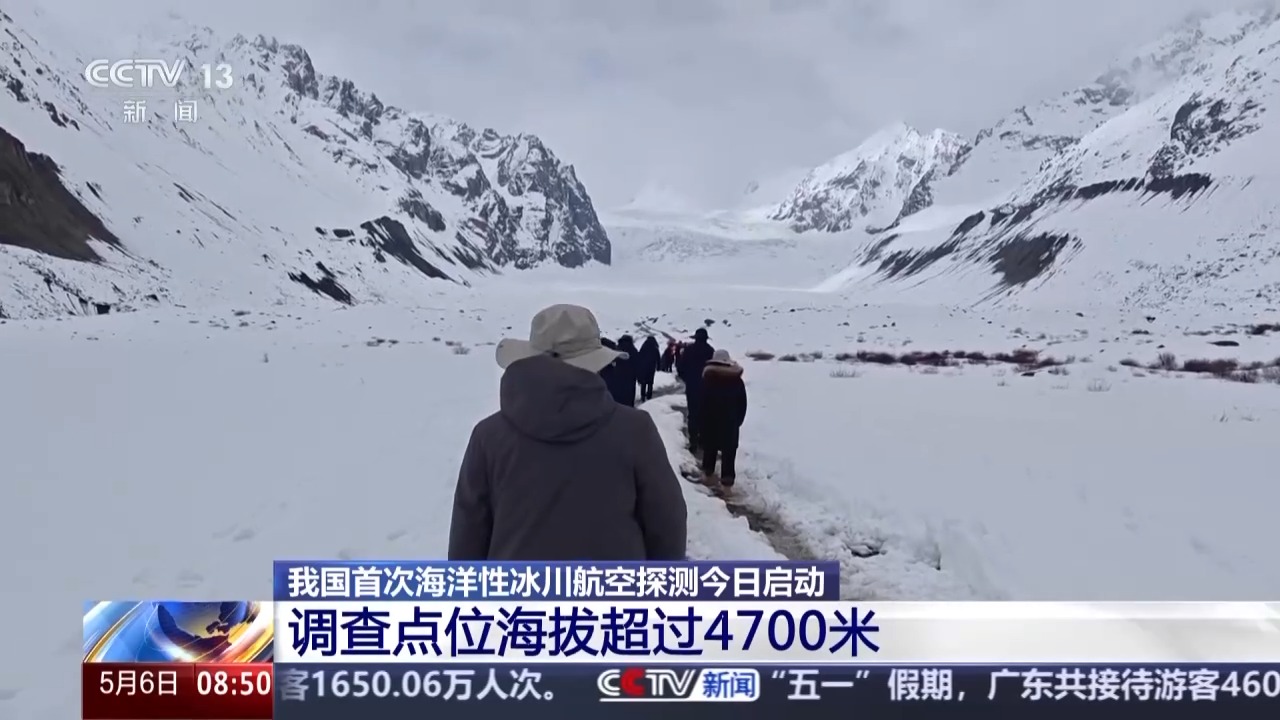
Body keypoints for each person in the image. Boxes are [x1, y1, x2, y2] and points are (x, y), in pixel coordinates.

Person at [448, 303, 688, 561]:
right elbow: (668, 523)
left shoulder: (487, 437)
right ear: (596, 363)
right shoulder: (635, 430)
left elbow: (467, 539)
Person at [698, 349, 747, 486]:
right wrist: (737, 421)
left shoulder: (708, 380)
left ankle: (707, 477)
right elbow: (742, 404)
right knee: (729, 453)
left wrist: (701, 422)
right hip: (730, 424)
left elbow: (701, 403)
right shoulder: (737, 381)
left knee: (710, 449)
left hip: (710, 422)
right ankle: (727, 484)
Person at [676, 327, 715, 451]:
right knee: (705, 413)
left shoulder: (689, 350)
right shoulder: (710, 351)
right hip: (707, 387)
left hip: (692, 387)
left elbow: (680, 367)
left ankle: (693, 441)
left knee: (692, 414)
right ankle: (703, 439)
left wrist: (688, 379)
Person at [599, 335, 637, 407]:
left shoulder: (616, 351)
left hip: (616, 384)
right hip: (630, 382)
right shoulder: (634, 351)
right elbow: (638, 365)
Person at [636, 335, 661, 402]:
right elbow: (658, 358)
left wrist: (639, 366)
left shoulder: (644, 346)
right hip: (651, 367)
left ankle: (643, 396)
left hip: (644, 367)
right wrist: (658, 367)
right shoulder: (655, 347)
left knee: (643, 382)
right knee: (650, 382)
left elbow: (639, 356)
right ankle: (649, 396)